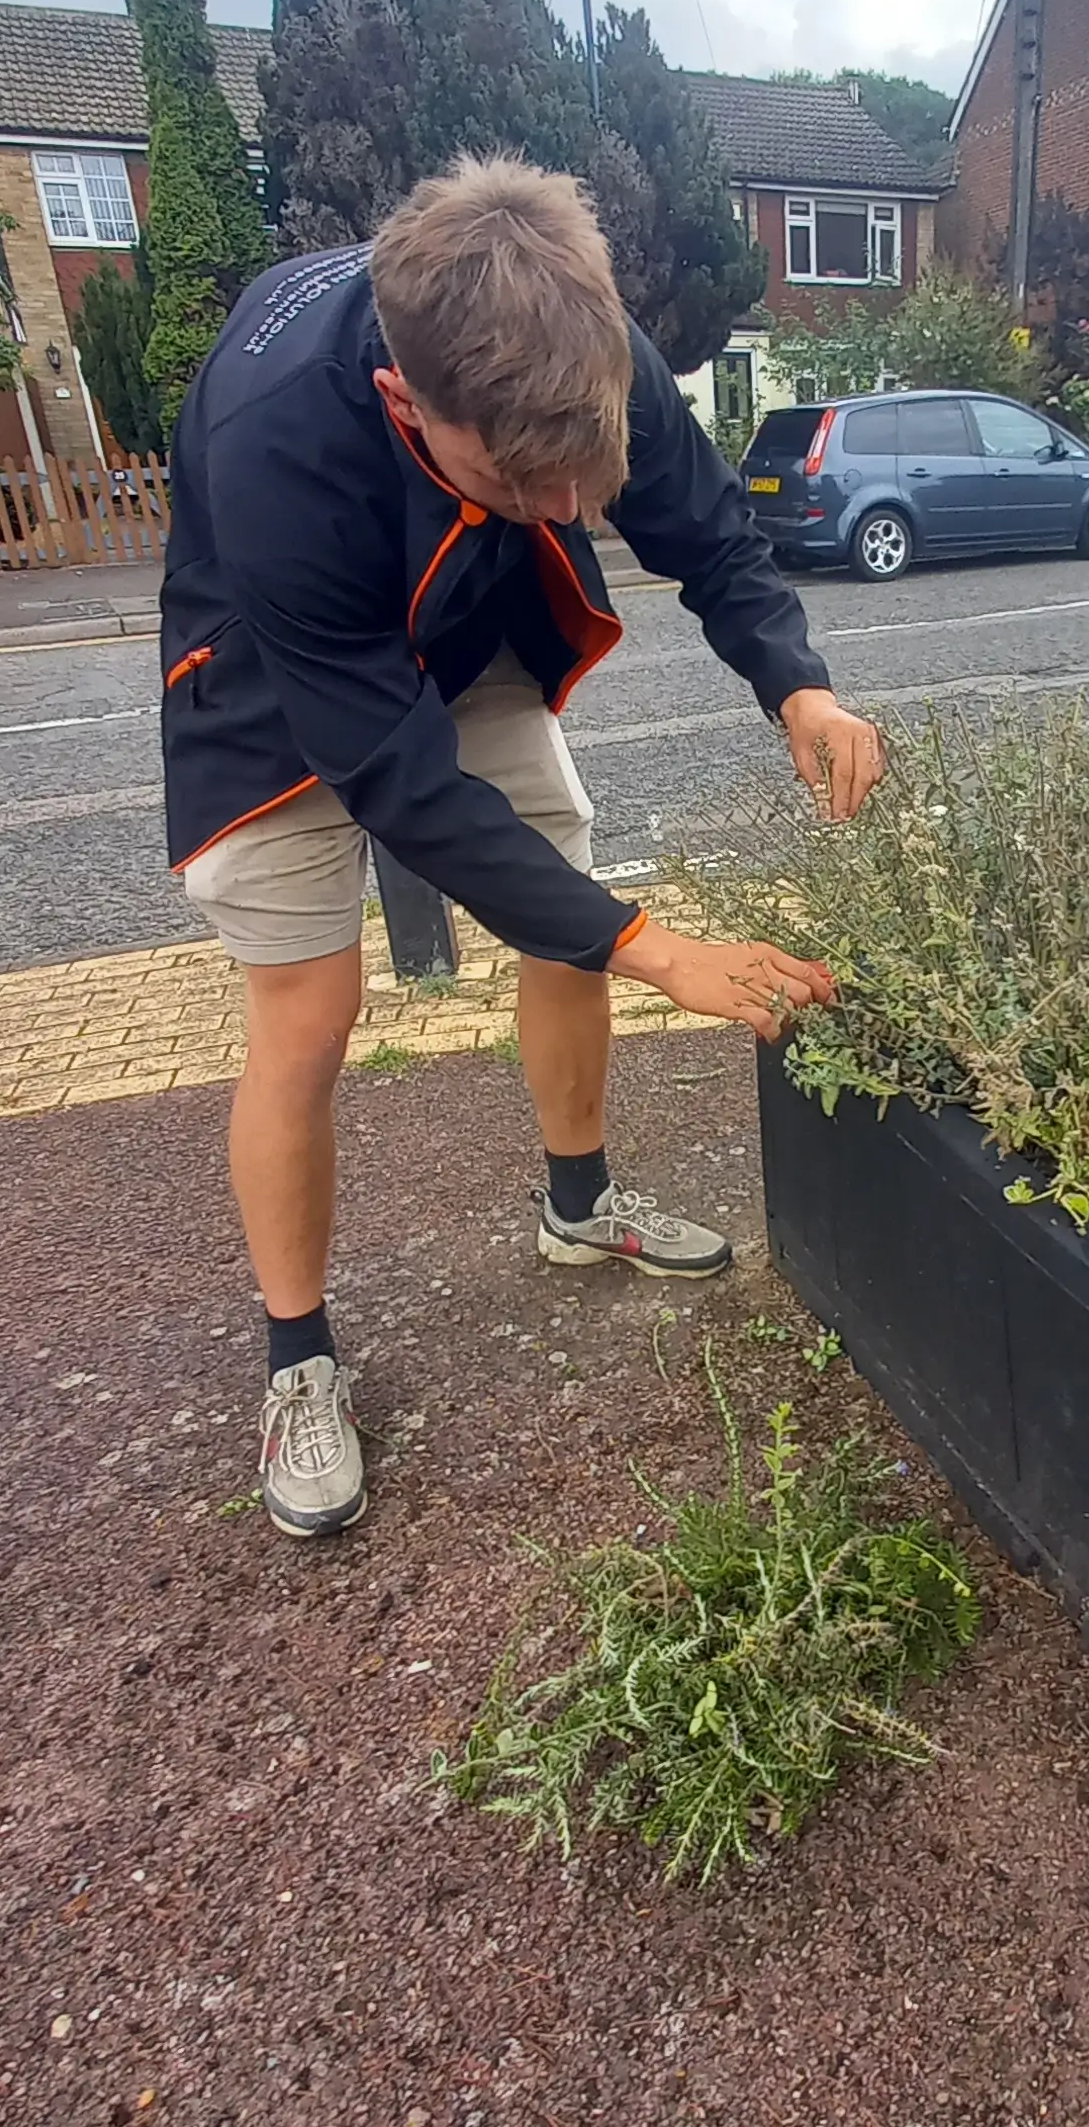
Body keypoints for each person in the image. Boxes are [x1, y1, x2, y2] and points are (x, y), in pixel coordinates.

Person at [159, 155, 884, 1539]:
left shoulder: (583, 354)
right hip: (277, 672)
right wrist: (662, 951)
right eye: (528, 483)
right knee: (311, 1014)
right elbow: (394, 780)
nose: (569, 515)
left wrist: (802, 684)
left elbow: (714, 542)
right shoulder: (280, 441)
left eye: (583, 484)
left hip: (467, 614)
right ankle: (299, 1362)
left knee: (563, 883)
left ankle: (580, 1202)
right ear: (402, 404)